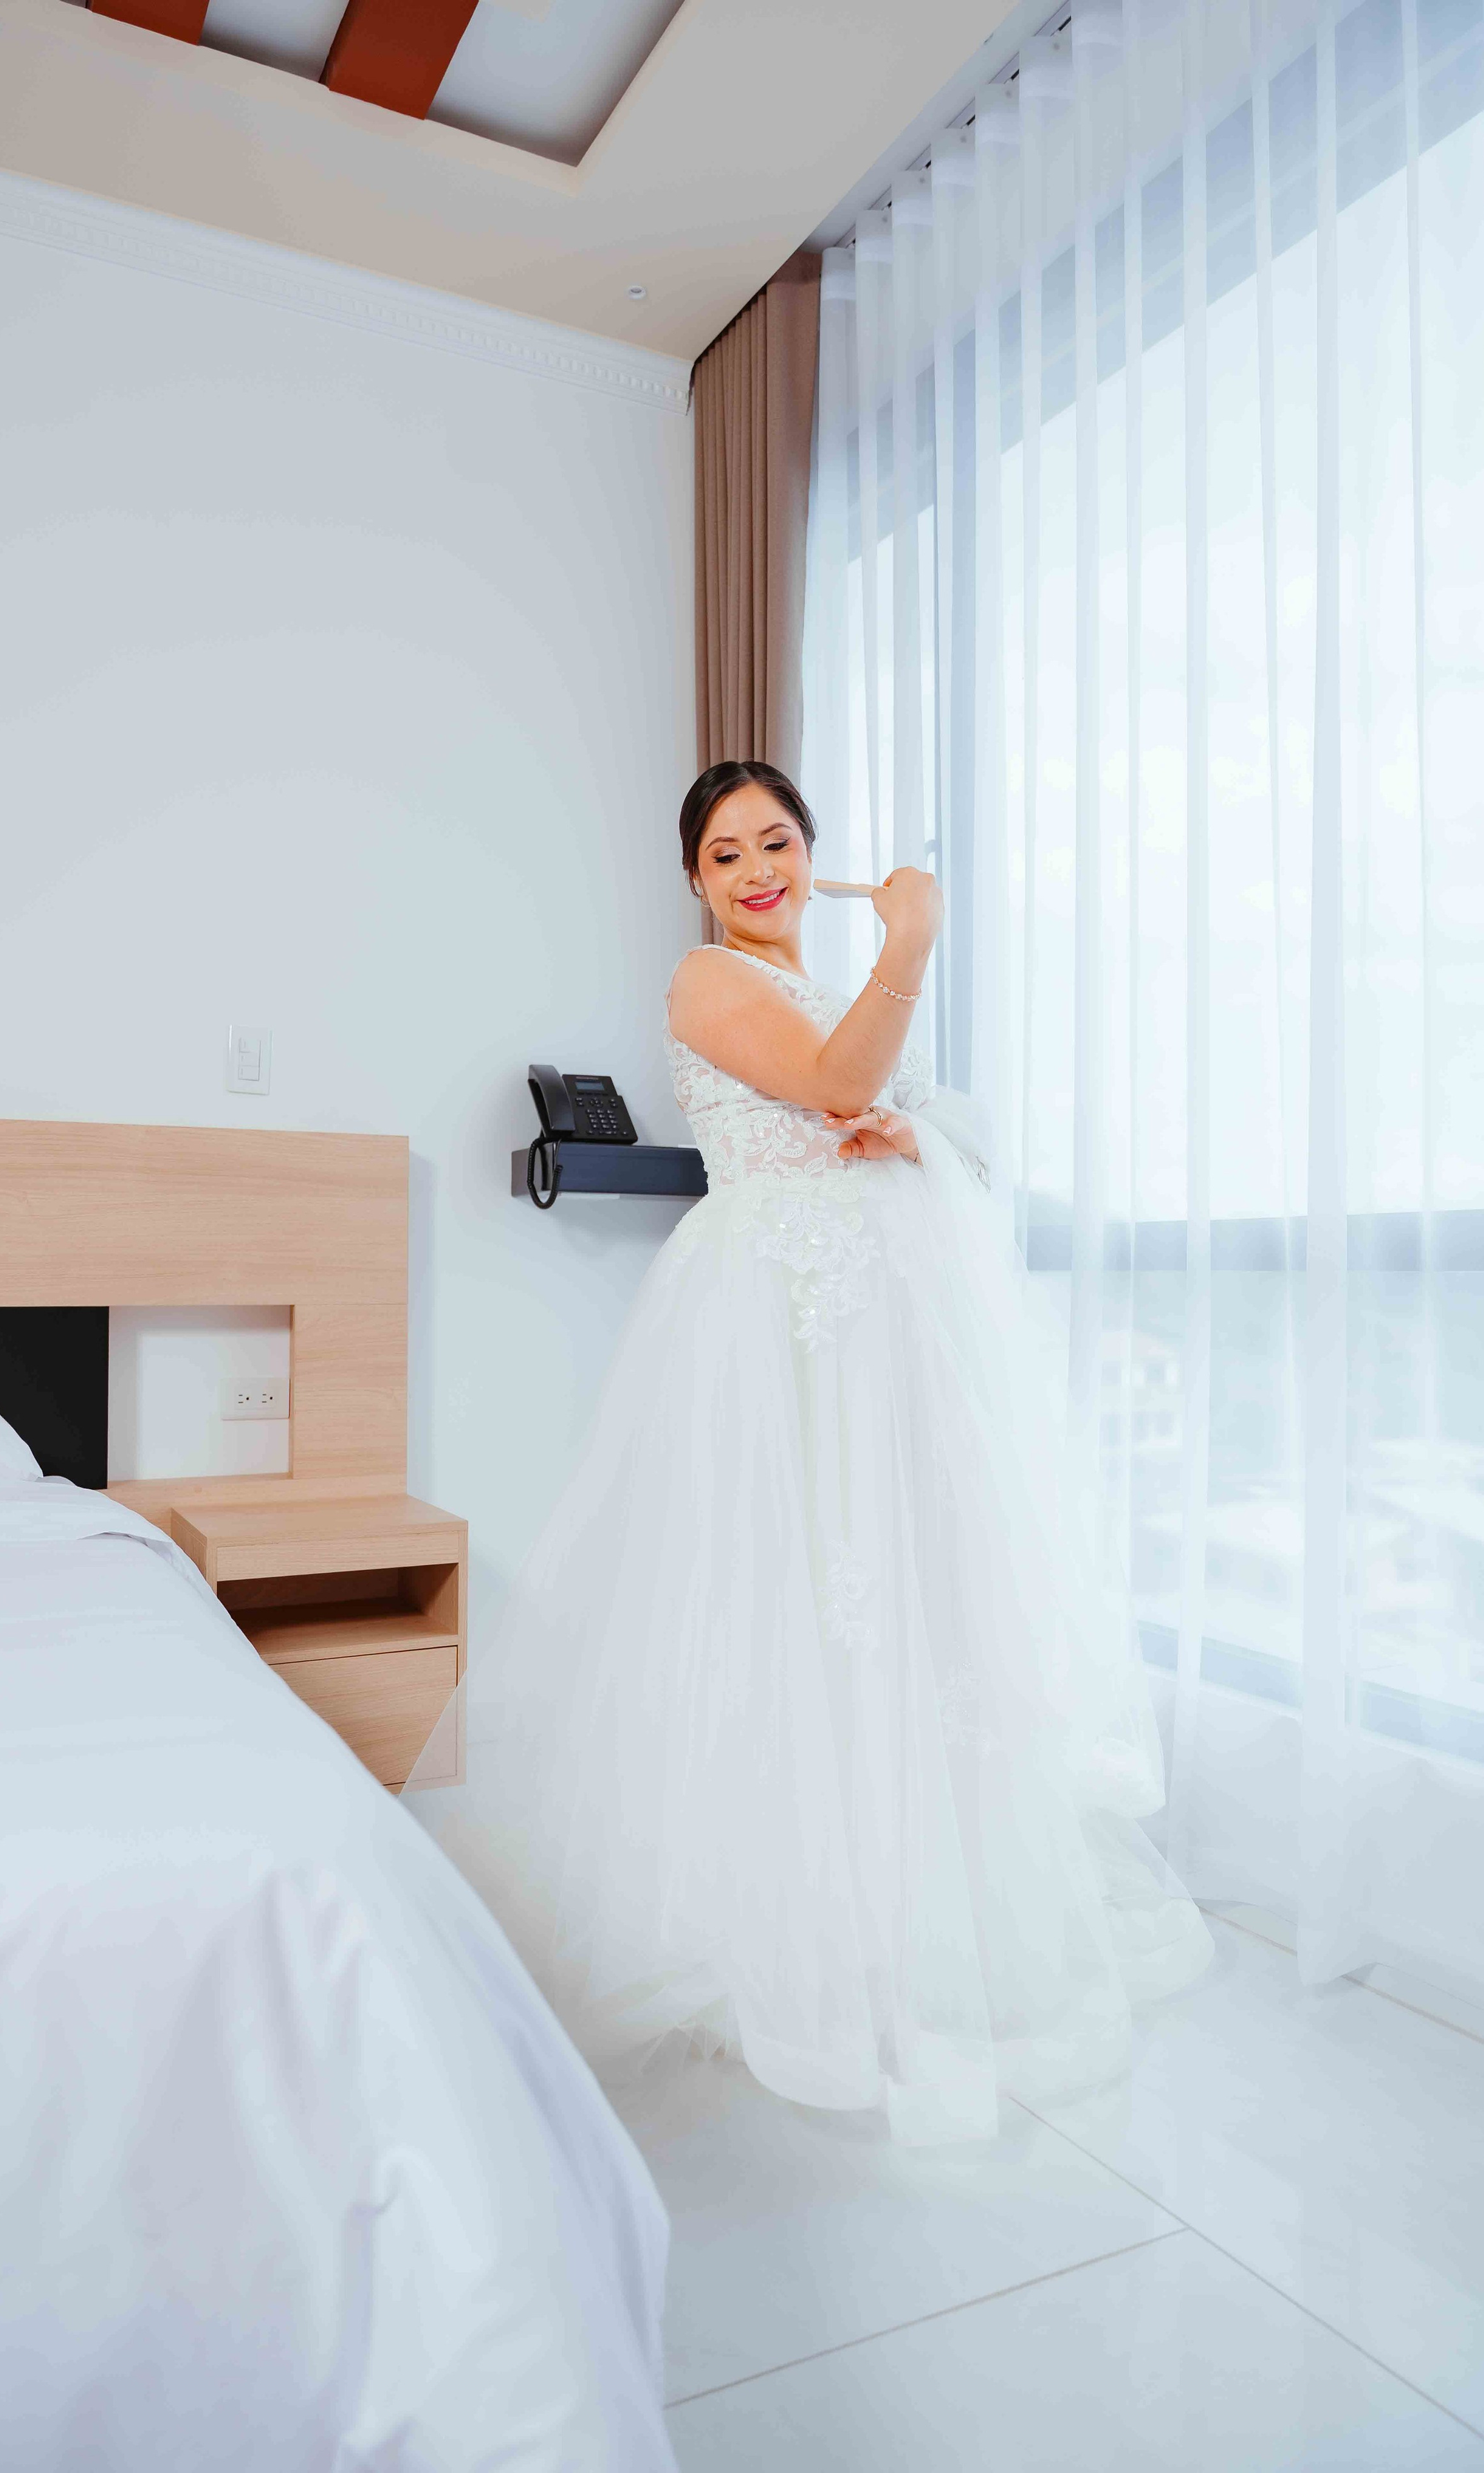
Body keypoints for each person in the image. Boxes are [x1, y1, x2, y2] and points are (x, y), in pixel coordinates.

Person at [408, 760, 1210, 2145]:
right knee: (787, 1601)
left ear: (810, 850)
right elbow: (837, 1077)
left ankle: (910, 1906)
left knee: (904, 1605)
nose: (757, 871)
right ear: (695, 881)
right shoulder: (705, 982)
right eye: (726, 855)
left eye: (775, 842)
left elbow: (888, 1108)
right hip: (769, 1318)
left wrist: (905, 1136)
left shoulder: (820, 985)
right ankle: (788, 1925)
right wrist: (913, 943)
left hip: (878, 1329)